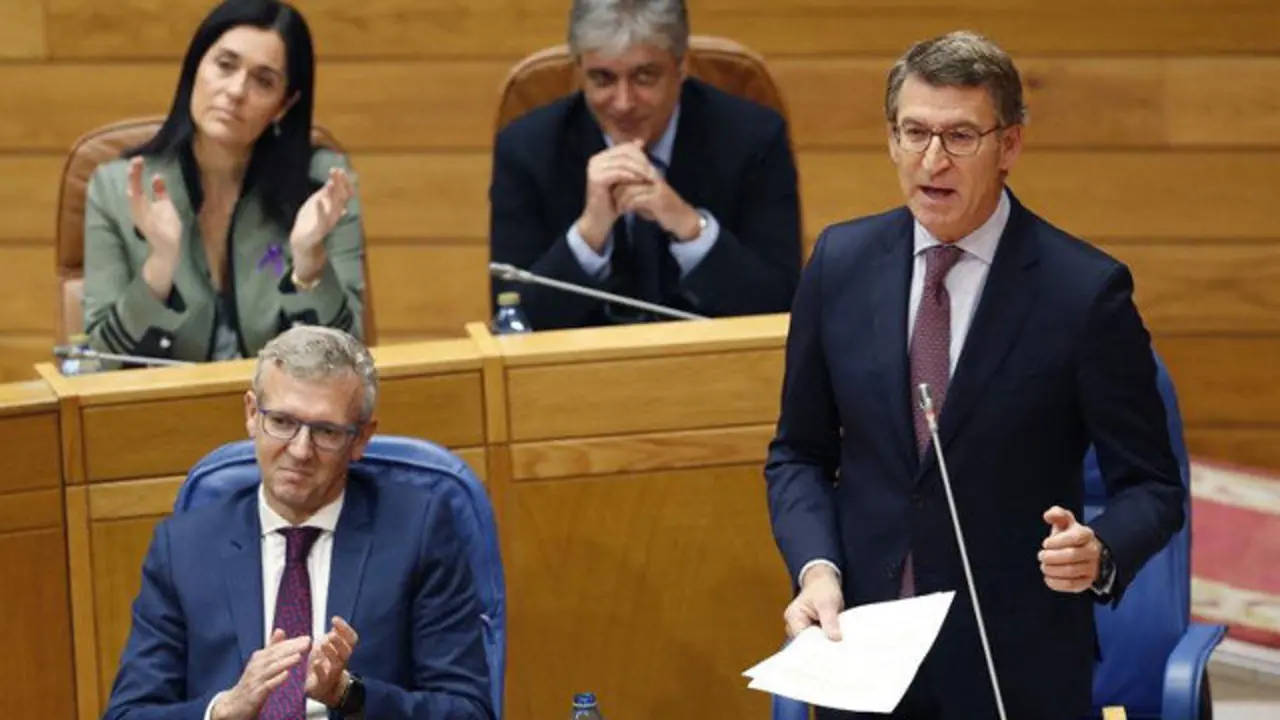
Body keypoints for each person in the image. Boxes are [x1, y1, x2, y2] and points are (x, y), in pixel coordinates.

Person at [764, 31, 1185, 720]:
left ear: (1009, 146)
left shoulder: (1083, 293)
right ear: (892, 139)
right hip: (862, 655)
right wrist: (817, 569)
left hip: (1011, 666)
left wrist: (1099, 549)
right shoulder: (839, 264)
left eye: (960, 135)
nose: (933, 159)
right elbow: (799, 454)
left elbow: (1152, 486)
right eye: (915, 132)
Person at [103, 326, 494, 720]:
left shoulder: (418, 533)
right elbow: (128, 714)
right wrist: (223, 711)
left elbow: (469, 712)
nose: (300, 450)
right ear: (252, 414)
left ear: (360, 438)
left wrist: (351, 695)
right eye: (283, 422)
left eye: (325, 431)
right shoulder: (184, 548)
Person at [488, 0, 802, 330]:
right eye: (602, 79)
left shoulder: (752, 139)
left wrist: (691, 228)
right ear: (579, 71)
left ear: (682, 68)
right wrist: (588, 236)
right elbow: (513, 322)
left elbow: (781, 309)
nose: (623, 104)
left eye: (644, 77)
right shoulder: (527, 149)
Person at [82, 0, 366, 364]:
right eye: (225, 65)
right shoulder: (116, 190)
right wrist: (159, 269)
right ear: (195, 67)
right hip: (161, 413)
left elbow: (352, 362)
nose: (235, 91)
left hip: (284, 416)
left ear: (285, 104)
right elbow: (92, 366)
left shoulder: (323, 189)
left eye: (263, 80)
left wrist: (310, 264)